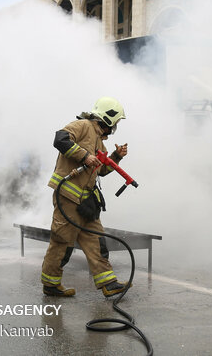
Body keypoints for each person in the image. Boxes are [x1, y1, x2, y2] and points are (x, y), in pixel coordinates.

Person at [41, 97, 130, 297]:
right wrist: (84, 156)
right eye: (115, 122)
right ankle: (51, 285)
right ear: (108, 118)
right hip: (68, 198)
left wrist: (116, 156)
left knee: (97, 240)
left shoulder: (100, 140)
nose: (115, 127)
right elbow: (60, 139)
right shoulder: (82, 125)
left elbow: (102, 171)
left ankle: (108, 283)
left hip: (87, 201)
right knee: (62, 242)